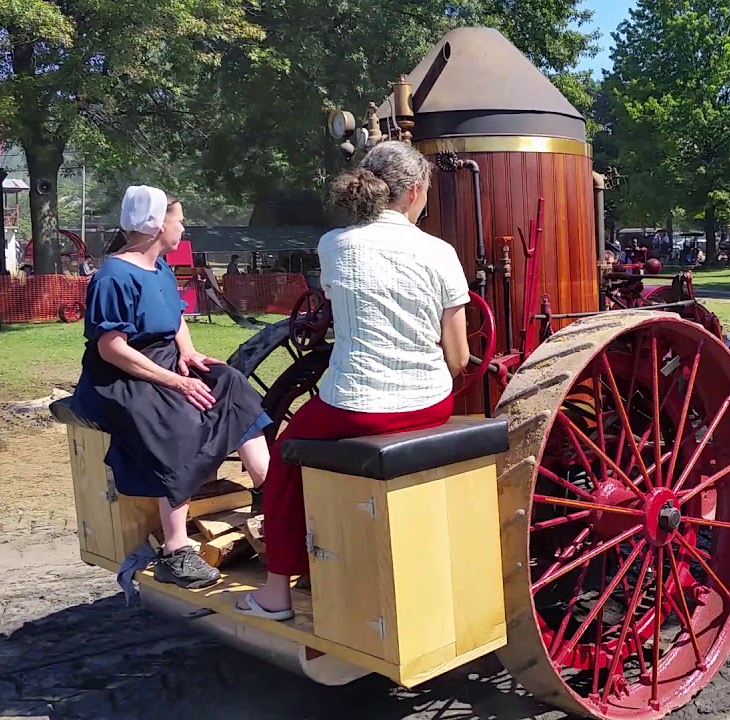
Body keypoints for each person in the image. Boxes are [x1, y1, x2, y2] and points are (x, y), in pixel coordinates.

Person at [235, 141, 471, 621]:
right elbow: (460, 357)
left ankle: (278, 593)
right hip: (432, 404)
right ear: (413, 193)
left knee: (283, 459)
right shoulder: (441, 252)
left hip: (356, 405)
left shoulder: (334, 245)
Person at [71, 186, 273, 589]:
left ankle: (269, 491)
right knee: (177, 422)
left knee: (229, 382)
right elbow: (111, 349)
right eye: (178, 218)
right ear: (157, 224)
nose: (182, 226)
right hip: (122, 377)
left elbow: (176, 316)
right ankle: (176, 551)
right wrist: (176, 382)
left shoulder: (159, 267)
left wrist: (189, 352)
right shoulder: (113, 276)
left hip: (164, 361)